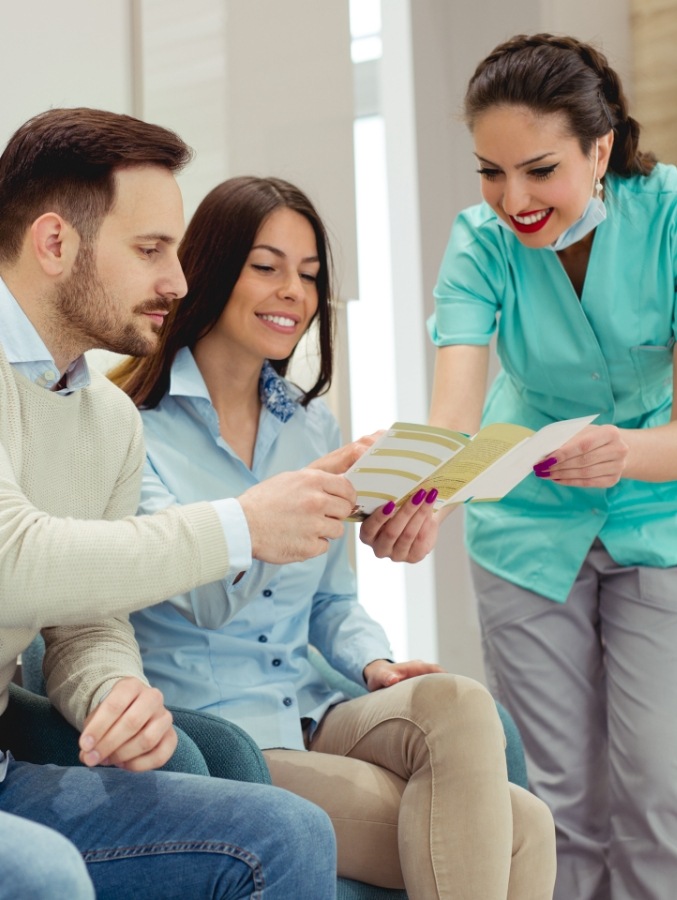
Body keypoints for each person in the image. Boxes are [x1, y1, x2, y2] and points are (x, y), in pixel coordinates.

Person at [112, 174, 557, 900]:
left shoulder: (309, 425)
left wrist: (372, 662)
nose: (293, 289)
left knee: (461, 706)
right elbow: (202, 602)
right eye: (267, 267)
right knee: (521, 831)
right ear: (211, 268)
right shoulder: (132, 427)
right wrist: (284, 505)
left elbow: (331, 602)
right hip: (220, 733)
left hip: (313, 703)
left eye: (310, 274)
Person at [0, 105, 352, 899]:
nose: (180, 281)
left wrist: (111, 690)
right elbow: (11, 561)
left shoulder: (108, 419)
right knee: (44, 874)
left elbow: (85, 618)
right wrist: (243, 526)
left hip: (6, 768)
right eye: (151, 249)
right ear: (55, 243)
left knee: (287, 830)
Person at [426, 32, 677, 900]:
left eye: (538, 170)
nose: (513, 200)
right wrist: (420, 493)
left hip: (657, 509)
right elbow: (453, 415)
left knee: (660, 788)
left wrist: (628, 453)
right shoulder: (478, 242)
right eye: (490, 173)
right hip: (526, 520)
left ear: (598, 148)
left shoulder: (671, 217)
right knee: (555, 800)